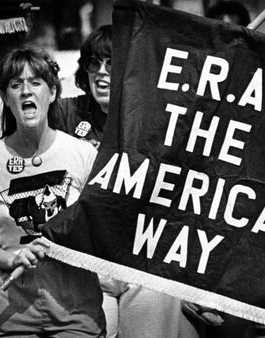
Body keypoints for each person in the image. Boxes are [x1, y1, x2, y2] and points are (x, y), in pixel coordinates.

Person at [57, 25, 202, 338]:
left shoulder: (162, 119)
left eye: (113, 62)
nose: (102, 72)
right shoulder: (66, 113)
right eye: (93, 64)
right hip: (86, 267)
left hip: (145, 266)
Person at [0, 47, 105, 337]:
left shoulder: (82, 153)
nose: (26, 91)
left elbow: (103, 229)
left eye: (35, 82)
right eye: (16, 85)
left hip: (76, 312)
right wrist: (12, 259)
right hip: (10, 313)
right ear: (5, 97)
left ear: (51, 93)